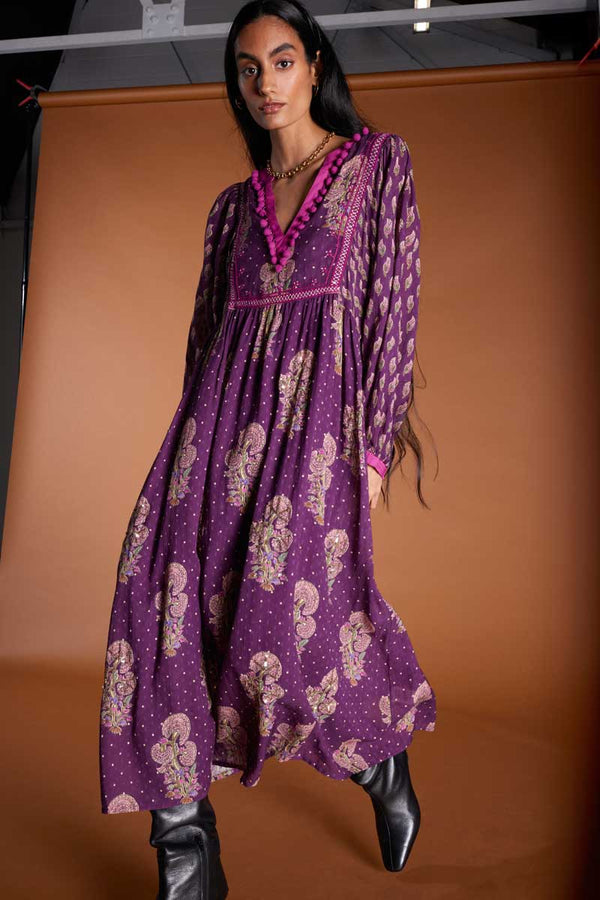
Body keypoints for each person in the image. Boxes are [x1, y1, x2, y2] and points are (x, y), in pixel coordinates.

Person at [98, 1, 437, 897]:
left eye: (281, 61)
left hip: (317, 435)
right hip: (213, 436)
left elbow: (394, 309)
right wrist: (186, 459)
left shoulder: (375, 166)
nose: (265, 84)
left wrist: (371, 454)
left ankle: (380, 765)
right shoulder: (230, 212)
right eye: (247, 69)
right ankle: (187, 852)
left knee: (287, 635)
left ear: (314, 65)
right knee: (158, 602)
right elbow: (204, 342)